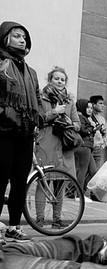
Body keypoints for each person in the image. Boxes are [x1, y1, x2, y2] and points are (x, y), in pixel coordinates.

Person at [0, 21, 42, 244]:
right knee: (0, 178)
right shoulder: (1, 63)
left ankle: (14, 226)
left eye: (24, 36)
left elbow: (37, 98)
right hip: (4, 131)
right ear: (5, 37)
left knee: (19, 182)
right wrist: (5, 114)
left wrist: (40, 117)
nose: (22, 39)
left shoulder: (31, 71)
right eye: (17, 35)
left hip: (25, 133)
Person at [36, 66, 81, 230]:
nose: (60, 82)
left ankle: (57, 219)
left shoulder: (70, 101)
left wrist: (69, 122)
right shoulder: (41, 98)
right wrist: (54, 112)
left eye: (62, 79)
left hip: (64, 145)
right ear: (50, 80)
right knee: (43, 180)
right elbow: (38, 119)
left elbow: (78, 125)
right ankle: (39, 218)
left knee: (60, 183)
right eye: (56, 78)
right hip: (47, 141)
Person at [74, 99, 97, 203]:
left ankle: (79, 191)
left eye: (91, 108)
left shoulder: (86, 118)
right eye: (88, 107)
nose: (90, 110)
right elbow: (82, 130)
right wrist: (92, 128)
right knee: (82, 170)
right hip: (84, 146)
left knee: (93, 171)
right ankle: (78, 195)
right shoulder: (80, 117)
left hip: (87, 146)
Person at [89, 95, 107, 170]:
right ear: (94, 105)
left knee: (95, 172)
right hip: (89, 147)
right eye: (100, 103)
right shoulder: (88, 117)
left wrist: (102, 144)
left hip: (98, 149)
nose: (102, 106)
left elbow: (105, 134)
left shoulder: (103, 119)